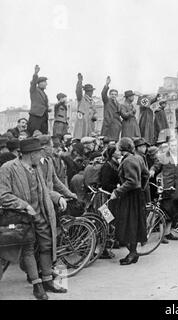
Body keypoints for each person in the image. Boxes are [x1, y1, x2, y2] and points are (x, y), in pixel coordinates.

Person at [0, 138, 67, 300]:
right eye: (39, 152)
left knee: (46, 247)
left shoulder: (36, 168)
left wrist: (58, 197)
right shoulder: (8, 168)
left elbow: (44, 189)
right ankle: (37, 286)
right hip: (21, 218)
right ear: (31, 154)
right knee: (27, 250)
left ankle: (47, 281)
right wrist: (24, 205)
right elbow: (3, 195)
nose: (41, 155)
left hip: (41, 215)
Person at [110, 138, 149, 265]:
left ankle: (132, 254)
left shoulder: (128, 161)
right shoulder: (138, 158)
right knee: (134, 224)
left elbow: (132, 182)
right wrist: (141, 188)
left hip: (130, 196)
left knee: (129, 224)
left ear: (122, 148)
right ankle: (133, 252)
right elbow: (146, 174)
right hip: (137, 195)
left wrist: (117, 191)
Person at [149, 138, 178, 243]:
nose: (174, 147)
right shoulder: (163, 157)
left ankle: (168, 232)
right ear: (169, 146)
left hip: (177, 187)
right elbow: (156, 166)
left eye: (175, 145)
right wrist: (152, 170)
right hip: (167, 186)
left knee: (173, 211)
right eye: (172, 146)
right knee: (165, 211)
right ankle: (162, 235)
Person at [73, 73, 97, 139]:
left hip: (90, 125)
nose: (90, 92)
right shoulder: (81, 99)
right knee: (81, 138)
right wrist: (80, 81)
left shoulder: (93, 102)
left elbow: (95, 112)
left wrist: (95, 116)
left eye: (91, 91)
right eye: (88, 91)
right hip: (82, 124)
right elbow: (78, 91)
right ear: (85, 91)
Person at [28, 65, 49, 136]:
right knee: (33, 134)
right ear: (39, 83)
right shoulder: (34, 90)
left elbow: (42, 104)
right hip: (35, 117)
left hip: (43, 117)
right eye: (45, 82)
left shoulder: (44, 93)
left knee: (43, 135)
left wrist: (47, 109)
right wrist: (35, 73)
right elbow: (33, 83)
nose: (46, 84)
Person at [100, 76, 122, 141]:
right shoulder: (107, 101)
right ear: (109, 95)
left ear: (117, 96)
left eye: (115, 94)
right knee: (105, 141)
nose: (113, 96)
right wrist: (107, 84)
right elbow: (103, 94)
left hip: (116, 126)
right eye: (112, 94)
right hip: (108, 126)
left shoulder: (118, 104)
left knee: (114, 142)